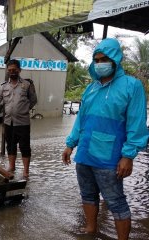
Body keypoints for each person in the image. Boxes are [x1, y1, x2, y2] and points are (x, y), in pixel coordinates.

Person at [62, 38, 148, 240]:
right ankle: (90, 230)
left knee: (116, 201)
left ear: (116, 59)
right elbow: (80, 120)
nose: (100, 63)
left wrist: (128, 156)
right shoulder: (90, 88)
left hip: (109, 158)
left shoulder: (132, 86)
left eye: (105, 59)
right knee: (87, 196)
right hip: (84, 154)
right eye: (97, 60)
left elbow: (136, 124)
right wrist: (70, 144)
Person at [0, 59, 37, 179]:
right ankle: (12, 166)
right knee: (10, 146)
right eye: (10, 70)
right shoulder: (3, 86)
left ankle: (26, 171)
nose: (12, 72)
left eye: (14, 70)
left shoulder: (27, 85)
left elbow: (33, 100)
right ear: (8, 71)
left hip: (23, 123)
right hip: (8, 122)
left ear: (19, 70)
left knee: (25, 147)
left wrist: (24, 109)